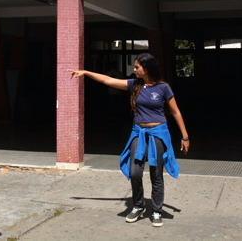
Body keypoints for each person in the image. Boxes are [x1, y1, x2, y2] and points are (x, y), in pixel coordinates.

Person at [70, 52, 189, 228]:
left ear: (146, 69)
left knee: (156, 174)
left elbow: (176, 112)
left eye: (137, 67)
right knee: (135, 172)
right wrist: (86, 72)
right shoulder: (135, 85)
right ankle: (139, 205)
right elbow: (107, 81)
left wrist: (185, 136)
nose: (133, 70)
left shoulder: (163, 88)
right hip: (138, 133)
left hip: (158, 133)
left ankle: (156, 210)